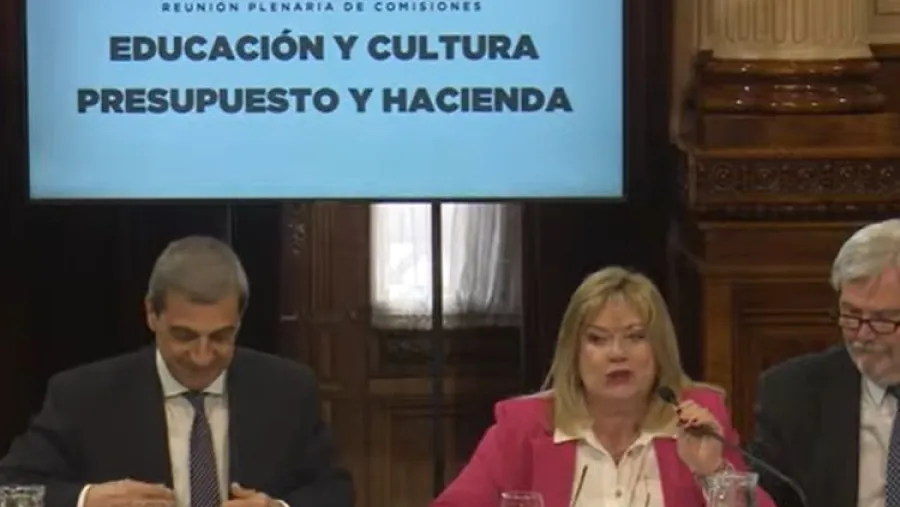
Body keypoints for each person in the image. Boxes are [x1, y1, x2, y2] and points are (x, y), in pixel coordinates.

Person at [0, 236, 354, 507]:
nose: (202, 356)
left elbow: (336, 492)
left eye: (221, 337)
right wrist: (86, 499)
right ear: (151, 314)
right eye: (184, 335)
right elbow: (8, 493)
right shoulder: (84, 396)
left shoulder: (288, 390)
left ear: (240, 320)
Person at [431, 266, 776, 507]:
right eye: (598, 339)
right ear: (573, 352)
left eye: (635, 337)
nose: (617, 353)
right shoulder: (523, 428)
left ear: (659, 349)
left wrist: (713, 472)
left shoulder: (698, 422)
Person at [748, 219, 900, 507]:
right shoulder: (793, 394)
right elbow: (763, 499)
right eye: (851, 314)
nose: (862, 335)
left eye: (882, 319)